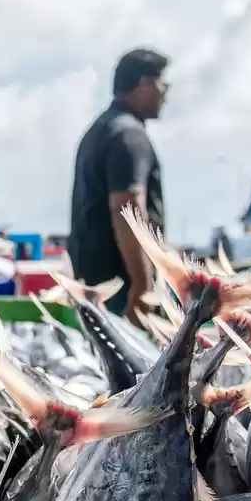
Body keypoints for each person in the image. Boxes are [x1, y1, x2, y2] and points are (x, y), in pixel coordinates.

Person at [68, 48, 169, 322]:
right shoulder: (128, 135)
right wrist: (143, 284)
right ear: (144, 83)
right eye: (163, 83)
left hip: (97, 285)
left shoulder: (100, 129)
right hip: (122, 289)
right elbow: (127, 207)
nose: (166, 93)